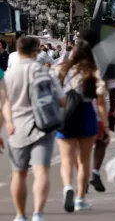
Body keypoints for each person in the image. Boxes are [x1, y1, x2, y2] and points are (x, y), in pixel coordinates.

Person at [2, 36, 65, 221]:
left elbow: (3, 104)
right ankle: (38, 213)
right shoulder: (46, 73)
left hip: (17, 129)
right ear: (35, 51)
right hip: (43, 127)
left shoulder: (8, 75)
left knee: (18, 173)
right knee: (41, 171)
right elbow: (62, 100)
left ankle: (20, 215)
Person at [52, 40, 109, 212]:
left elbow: (52, 93)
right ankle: (80, 198)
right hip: (86, 114)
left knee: (66, 159)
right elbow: (100, 102)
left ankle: (67, 187)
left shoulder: (59, 69)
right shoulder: (93, 72)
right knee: (84, 161)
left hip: (65, 114)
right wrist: (105, 126)